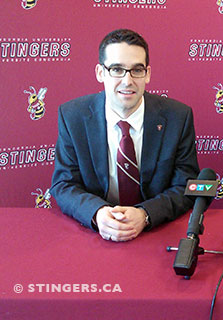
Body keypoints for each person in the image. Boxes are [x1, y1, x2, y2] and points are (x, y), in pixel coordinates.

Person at [51, 29, 199, 241]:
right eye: (117, 69)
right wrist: (97, 213)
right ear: (100, 72)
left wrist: (145, 214)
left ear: (147, 73)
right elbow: (63, 184)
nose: (128, 81)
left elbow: (187, 185)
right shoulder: (73, 116)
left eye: (136, 70)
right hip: (95, 236)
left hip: (157, 233)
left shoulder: (178, 117)